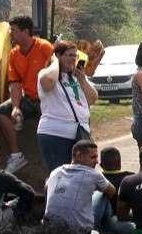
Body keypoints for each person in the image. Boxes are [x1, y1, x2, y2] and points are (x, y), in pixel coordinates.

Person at [0, 16, 55, 174]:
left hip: (49, 99)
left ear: (26, 31)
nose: (11, 35)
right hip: (29, 98)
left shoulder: (44, 47)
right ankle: (17, 156)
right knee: (2, 111)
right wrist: (15, 107)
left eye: (14, 31)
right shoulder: (14, 54)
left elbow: (56, 73)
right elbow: (15, 84)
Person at [36, 40, 97, 174]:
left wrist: (82, 80)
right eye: (69, 55)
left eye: (75, 56)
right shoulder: (47, 73)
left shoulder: (77, 77)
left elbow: (92, 99)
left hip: (79, 134)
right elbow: (48, 83)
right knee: (60, 176)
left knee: (83, 174)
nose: (73, 59)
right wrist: (55, 63)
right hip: (55, 134)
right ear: (57, 56)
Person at [43, 139, 121, 234]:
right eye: (93, 157)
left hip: (50, 226)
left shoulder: (56, 171)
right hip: (80, 231)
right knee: (102, 194)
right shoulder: (93, 174)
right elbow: (112, 192)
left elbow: (46, 188)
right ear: (78, 156)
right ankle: (106, 229)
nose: (97, 161)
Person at [99, 146, 132, 215]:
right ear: (119, 163)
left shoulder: (97, 180)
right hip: (124, 219)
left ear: (101, 165)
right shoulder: (131, 177)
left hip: (102, 220)